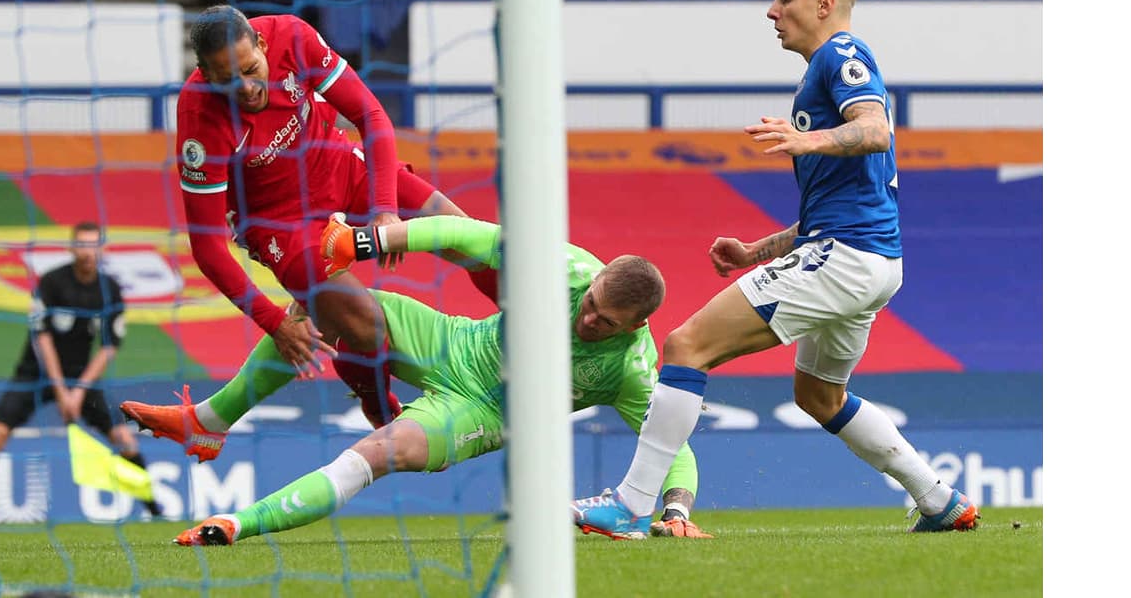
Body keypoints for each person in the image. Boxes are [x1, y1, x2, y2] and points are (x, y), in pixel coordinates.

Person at [572, 0, 980, 538]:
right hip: (868, 259)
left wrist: (806, 140)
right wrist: (757, 252)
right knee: (819, 395)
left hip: (844, 260)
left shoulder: (842, 53)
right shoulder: (823, 72)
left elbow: (874, 129)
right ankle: (940, 500)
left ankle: (630, 504)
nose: (772, 11)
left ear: (824, 3)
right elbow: (837, 207)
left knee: (686, 345)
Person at [126, 214, 710, 544]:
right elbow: (467, 235)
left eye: (604, 322)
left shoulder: (634, 368)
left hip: (480, 411)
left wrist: (677, 509)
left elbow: (668, 446)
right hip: (452, 339)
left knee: (378, 453)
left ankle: (235, 524)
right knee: (322, 305)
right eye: (590, 303)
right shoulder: (571, 268)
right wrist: (366, 241)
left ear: (638, 326)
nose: (586, 317)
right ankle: (208, 423)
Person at [175, 5, 498, 428]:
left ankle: (533, 342)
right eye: (226, 80)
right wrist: (275, 324)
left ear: (262, 44)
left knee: (467, 236)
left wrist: (384, 211)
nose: (246, 88)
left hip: (340, 166)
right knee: (366, 325)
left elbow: (371, 115)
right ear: (203, 72)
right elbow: (206, 246)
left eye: (251, 69)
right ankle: (378, 407)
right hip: (280, 225)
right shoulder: (199, 119)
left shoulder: (293, 36)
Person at [0, 221, 160, 521]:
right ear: (71, 248)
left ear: (102, 249)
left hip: (82, 378)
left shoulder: (110, 290)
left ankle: (156, 511)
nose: (87, 252)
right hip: (34, 375)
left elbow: (109, 347)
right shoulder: (51, 282)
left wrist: (78, 392)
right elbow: (43, 338)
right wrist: (62, 390)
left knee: (123, 439)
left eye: (93, 245)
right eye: (81, 245)